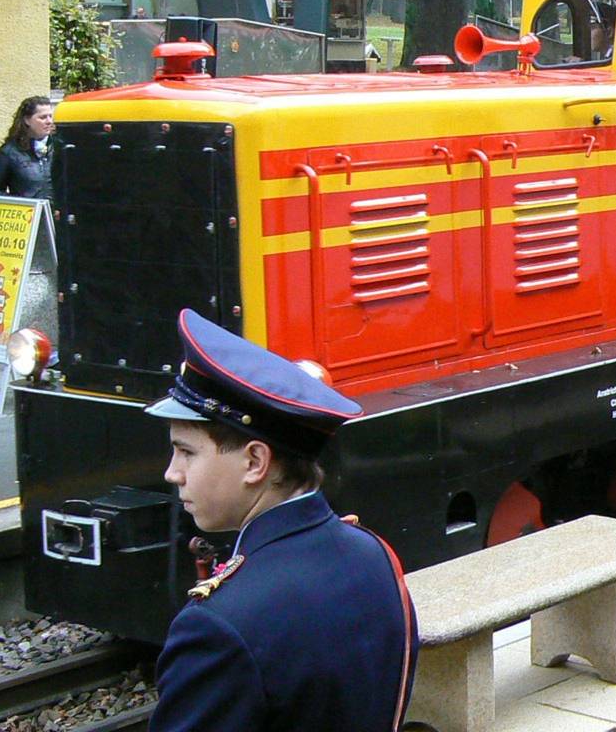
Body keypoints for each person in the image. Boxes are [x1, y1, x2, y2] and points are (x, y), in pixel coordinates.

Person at [146, 309, 418, 732]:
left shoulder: (217, 626)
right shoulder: (375, 554)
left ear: (255, 461)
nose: (172, 472)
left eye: (187, 452)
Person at [0, 96, 55, 201]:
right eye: (43, 117)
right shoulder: (9, 152)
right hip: (27, 215)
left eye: (50, 116)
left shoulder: (58, 148)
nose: (49, 121)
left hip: (55, 216)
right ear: (27, 120)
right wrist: (21, 204)